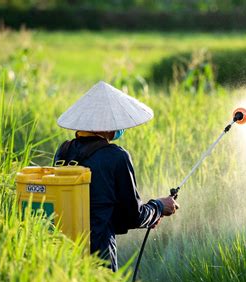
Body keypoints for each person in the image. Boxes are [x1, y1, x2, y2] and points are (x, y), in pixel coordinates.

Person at [54, 81, 179, 271]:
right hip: (99, 256)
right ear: (108, 124)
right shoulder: (116, 156)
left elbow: (108, 212)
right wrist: (159, 207)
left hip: (61, 253)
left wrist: (150, 215)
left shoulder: (63, 152)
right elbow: (132, 217)